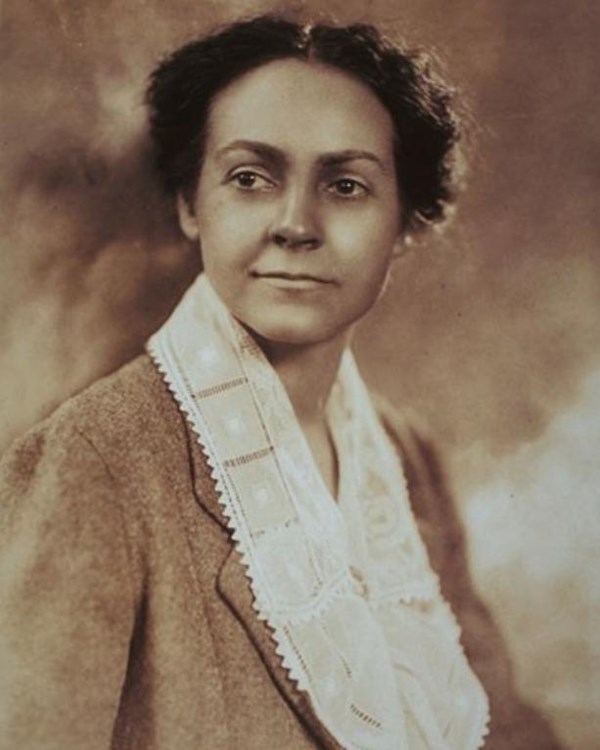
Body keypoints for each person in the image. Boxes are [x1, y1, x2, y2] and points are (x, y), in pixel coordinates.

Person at [0, 13, 563, 750]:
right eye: (249, 178)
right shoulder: (97, 458)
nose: (295, 224)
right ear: (189, 205)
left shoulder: (406, 460)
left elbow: (505, 729)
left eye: (347, 185)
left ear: (404, 225)